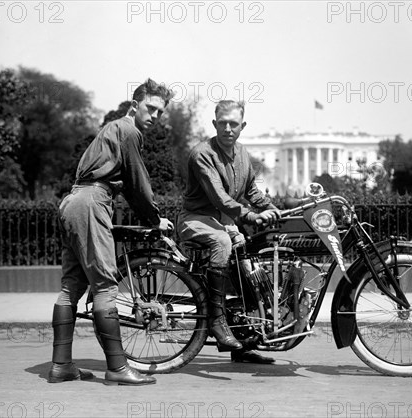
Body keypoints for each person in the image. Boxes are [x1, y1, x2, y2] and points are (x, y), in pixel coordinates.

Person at [49, 79, 174, 385]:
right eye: (151, 108)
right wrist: (154, 219)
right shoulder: (129, 130)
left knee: (71, 287)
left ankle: (61, 366)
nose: (155, 116)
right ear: (135, 106)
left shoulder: (112, 129)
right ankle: (118, 367)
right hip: (92, 202)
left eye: (160, 112)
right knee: (106, 287)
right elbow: (137, 182)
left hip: (73, 202)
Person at [177, 100, 280, 364]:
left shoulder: (243, 154)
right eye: (222, 123)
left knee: (245, 259)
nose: (227, 128)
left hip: (222, 220)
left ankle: (243, 343)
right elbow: (220, 197)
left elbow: (251, 191)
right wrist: (251, 216)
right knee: (223, 241)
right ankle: (216, 319)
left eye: (233, 123)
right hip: (196, 220)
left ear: (242, 125)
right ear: (214, 124)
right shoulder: (202, 153)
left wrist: (271, 208)